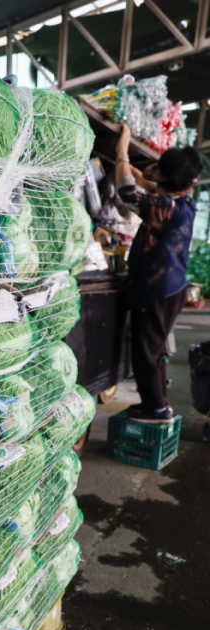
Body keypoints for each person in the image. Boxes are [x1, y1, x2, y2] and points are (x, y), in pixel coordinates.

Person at [115, 123, 202, 423]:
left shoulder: (164, 206)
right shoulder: (183, 201)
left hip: (156, 291)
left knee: (145, 353)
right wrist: (141, 171)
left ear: (167, 177)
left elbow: (127, 193)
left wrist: (122, 151)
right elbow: (144, 183)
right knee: (155, 349)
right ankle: (159, 403)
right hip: (170, 289)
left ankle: (155, 409)